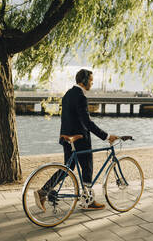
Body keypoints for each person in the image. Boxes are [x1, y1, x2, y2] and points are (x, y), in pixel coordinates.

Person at [35, 69, 118, 211]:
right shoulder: (81, 96)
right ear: (84, 81)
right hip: (79, 139)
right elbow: (87, 122)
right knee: (87, 168)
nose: (92, 83)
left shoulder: (68, 94)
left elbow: (67, 118)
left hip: (66, 137)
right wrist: (106, 136)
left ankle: (43, 191)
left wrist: (65, 136)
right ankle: (88, 201)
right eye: (91, 80)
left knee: (68, 168)